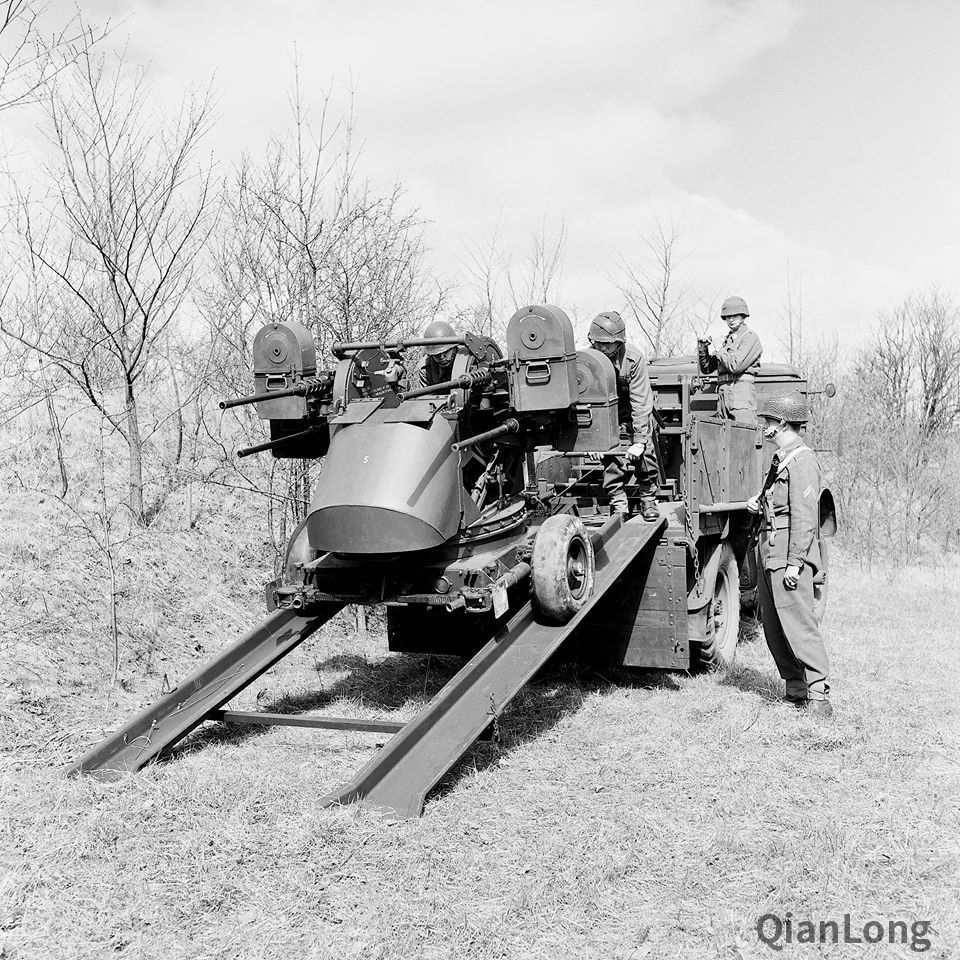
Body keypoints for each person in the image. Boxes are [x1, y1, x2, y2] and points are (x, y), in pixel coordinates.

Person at [747, 391, 831, 717]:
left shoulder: (804, 460)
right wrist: (758, 502)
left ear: (782, 422)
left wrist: (796, 563)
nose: (764, 426)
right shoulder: (780, 459)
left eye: (768, 420)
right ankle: (796, 690)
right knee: (775, 628)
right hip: (770, 552)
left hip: (788, 557)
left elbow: (806, 516)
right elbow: (777, 502)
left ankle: (820, 697)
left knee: (800, 627)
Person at [587, 311, 660, 522]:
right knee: (611, 461)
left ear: (619, 342)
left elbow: (641, 402)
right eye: (598, 343)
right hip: (605, 418)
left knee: (645, 456)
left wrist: (638, 440)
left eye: (608, 344)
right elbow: (582, 402)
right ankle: (619, 504)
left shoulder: (633, 359)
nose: (602, 348)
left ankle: (648, 499)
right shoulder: (586, 360)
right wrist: (590, 439)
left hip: (633, 415)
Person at [697, 296, 763, 425]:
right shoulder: (726, 341)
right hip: (723, 394)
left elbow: (735, 366)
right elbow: (707, 368)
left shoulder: (750, 338)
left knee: (743, 435)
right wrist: (703, 348)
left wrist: (718, 348)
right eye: (727, 317)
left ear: (743, 316)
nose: (731, 320)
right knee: (723, 437)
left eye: (735, 316)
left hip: (741, 393)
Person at [417, 319, 459, 387]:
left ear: (453, 348)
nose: (442, 357)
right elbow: (424, 396)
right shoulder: (425, 368)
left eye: (445, 352)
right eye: (436, 354)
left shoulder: (467, 359)